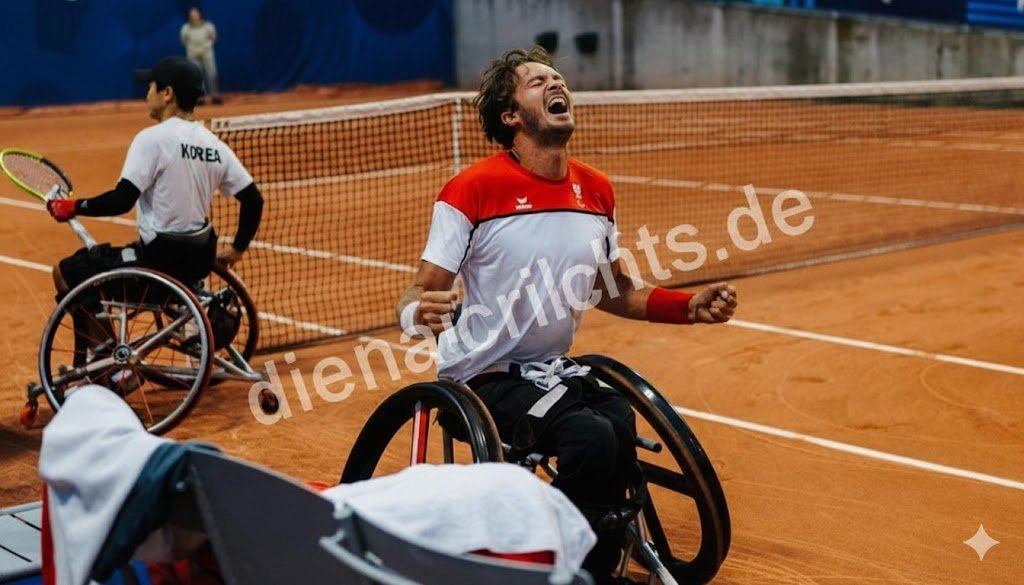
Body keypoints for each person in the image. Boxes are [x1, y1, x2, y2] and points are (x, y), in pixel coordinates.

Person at [396, 46, 737, 584]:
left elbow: (614, 291)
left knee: (618, 422)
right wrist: (419, 310)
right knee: (592, 439)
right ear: (511, 116)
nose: (557, 84)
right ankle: (558, 565)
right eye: (537, 81)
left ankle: (594, 560)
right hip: (483, 378)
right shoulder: (472, 189)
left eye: (558, 78)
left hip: (552, 371)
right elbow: (421, 293)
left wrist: (687, 307)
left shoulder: (596, 190)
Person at [46, 55, 263, 371]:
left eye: (150, 86)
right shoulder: (215, 145)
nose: (146, 93)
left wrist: (74, 206)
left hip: (157, 268)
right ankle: (180, 330)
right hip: (195, 268)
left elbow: (122, 200)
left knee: (67, 272)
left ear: (168, 94)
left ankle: (110, 362)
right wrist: (237, 250)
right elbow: (253, 200)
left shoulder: (151, 139)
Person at [180, 6, 222, 105]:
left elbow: (214, 38)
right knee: (196, 76)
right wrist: (191, 47)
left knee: (212, 74)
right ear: (189, 16)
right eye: (192, 15)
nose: (194, 16)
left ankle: (215, 95)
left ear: (199, 14)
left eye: (195, 14)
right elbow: (183, 40)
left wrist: (207, 45)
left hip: (207, 52)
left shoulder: (208, 26)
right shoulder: (185, 28)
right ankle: (200, 97)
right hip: (193, 54)